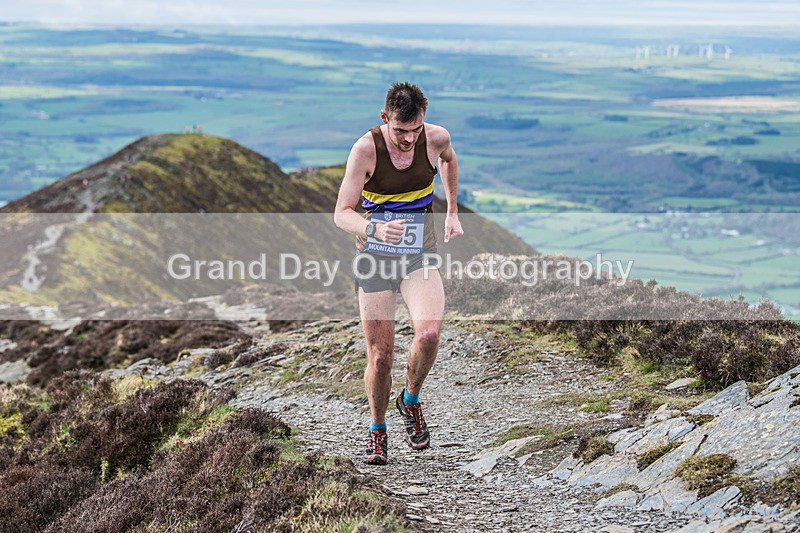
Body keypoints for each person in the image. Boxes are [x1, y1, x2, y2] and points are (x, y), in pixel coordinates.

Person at [334, 82, 464, 465]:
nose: (408, 139)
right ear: (384, 118)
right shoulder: (365, 150)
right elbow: (341, 213)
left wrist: (452, 211)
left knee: (428, 333)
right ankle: (377, 430)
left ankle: (409, 400)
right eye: (400, 130)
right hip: (373, 256)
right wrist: (373, 228)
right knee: (380, 357)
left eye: (415, 130)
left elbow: (450, 161)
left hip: (418, 254)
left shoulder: (436, 138)